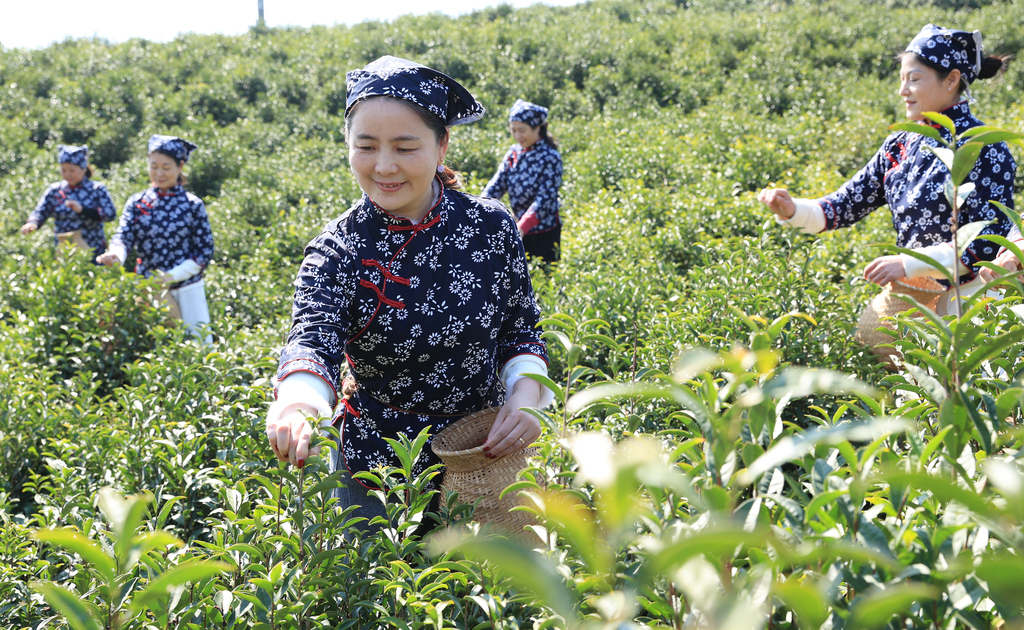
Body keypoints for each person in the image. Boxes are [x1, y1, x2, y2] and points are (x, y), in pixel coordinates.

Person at [264, 56, 552, 526]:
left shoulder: (490, 226)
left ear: (441, 146)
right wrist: (299, 403)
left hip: (482, 455)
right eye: (366, 146)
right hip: (377, 467)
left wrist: (527, 397)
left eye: (404, 147)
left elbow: (520, 330)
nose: (384, 166)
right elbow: (313, 339)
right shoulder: (339, 249)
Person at [758, 24, 1015, 359]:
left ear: (951, 80)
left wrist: (909, 263)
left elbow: (985, 243)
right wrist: (793, 210)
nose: (902, 90)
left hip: (971, 298)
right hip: (915, 296)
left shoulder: (985, 146)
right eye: (901, 79)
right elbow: (846, 203)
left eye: (914, 78)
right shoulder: (902, 143)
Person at [96, 135, 215, 343]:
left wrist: (168, 277)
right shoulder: (138, 202)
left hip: (187, 288)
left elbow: (204, 252)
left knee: (198, 346)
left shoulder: (192, 205)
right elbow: (124, 235)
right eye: (154, 166)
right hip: (149, 288)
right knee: (151, 349)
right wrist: (116, 255)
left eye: (166, 167)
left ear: (180, 166)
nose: (159, 173)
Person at [482, 99, 564, 264]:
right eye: (513, 130)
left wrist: (523, 226)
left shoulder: (550, 157)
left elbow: (545, 199)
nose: (518, 136)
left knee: (544, 278)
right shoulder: (514, 153)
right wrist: (478, 207)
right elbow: (496, 185)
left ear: (537, 128)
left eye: (522, 130)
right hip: (519, 227)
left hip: (543, 232)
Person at [20, 145, 117, 259]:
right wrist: (33, 223)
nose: (67, 174)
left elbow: (110, 214)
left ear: (83, 169)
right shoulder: (55, 190)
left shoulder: (96, 189)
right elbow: (41, 211)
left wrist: (82, 210)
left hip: (93, 249)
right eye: (64, 170)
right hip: (64, 251)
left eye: (72, 170)